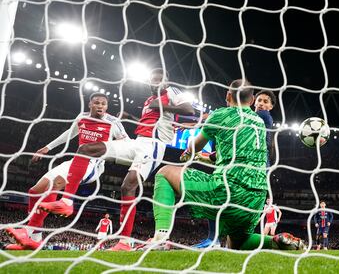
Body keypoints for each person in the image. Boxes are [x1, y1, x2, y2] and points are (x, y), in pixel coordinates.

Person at [38, 68, 195, 251]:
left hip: (153, 146)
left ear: (166, 82)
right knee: (86, 148)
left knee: (128, 186)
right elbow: (150, 121)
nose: (155, 83)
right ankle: (66, 202)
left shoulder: (171, 92)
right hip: (137, 142)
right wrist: (132, 117)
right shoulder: (148, 101)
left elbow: (189, 109)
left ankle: (125, 242)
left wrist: (161, 106)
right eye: (153, 80)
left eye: (159, 80)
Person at [146, 79, 304, 251]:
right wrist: (204, 158)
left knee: (165, 173)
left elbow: (195, 146)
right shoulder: (258, 122)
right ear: (251, 102)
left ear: (228, 96)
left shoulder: (221, 115)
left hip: (228, 192)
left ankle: (160, 238)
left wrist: (190, 150)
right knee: (238, 242)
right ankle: (274, 241)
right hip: (256, 200)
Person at [5, 93, 128, 250]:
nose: (100, 106)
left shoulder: (113, 122)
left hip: (92, 165)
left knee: (55, 185)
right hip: (74, 160)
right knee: (35, 191)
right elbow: (69, 134)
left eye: (103, 104)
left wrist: (110, 150)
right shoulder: (82, 117)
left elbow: (126, 142)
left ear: (107, 107)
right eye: (96, 103)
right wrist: (47, 148)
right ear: (90, 104)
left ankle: (27, 231)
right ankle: (35, 239)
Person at [193, 89, 277, 248]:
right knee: (235, 240)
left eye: (266, 102)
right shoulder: (254, 120)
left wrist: (211, 118)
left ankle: (213, 238)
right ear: (253, 101)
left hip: (251, 166)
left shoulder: (262, 117)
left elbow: (237, 130)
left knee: (216, 189)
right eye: (260, 100)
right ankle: (275, 241)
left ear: (271, 107)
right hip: (255, 170)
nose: (262, 104)